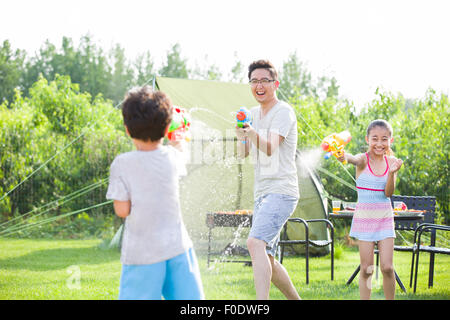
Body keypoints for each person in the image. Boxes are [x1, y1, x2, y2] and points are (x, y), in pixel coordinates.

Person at [106, 86, 204, 300]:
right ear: (167, 126)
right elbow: (180, 149)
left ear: (127, 129)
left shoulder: (122, 164)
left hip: (141, 253)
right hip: (178, 248)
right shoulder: (172, 158)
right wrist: (178, 134)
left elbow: (122, 210)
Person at [236, 59, 301, 300]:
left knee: (254, 243)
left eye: (264, 80)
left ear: (276, 84)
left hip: (282, 190)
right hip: (262, 192)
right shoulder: (252, 114)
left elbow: (271, 147)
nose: (259, 85)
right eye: (254, 81)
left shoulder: (283, 111)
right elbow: (242, 153)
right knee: (268, 260)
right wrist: (242, 134)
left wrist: (251, 132)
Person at [337, 119, 403, 300]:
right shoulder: (362, 160)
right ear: (367, 139)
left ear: (391, 140)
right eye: (375, 139)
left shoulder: (392, 162)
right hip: (365, 219)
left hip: (384, 218)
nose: (379, 144)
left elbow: (388, 193)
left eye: (384, 139)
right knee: (367, 269)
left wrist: (392, 173)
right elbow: (351, 158)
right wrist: (344, 156)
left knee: (387, 267)